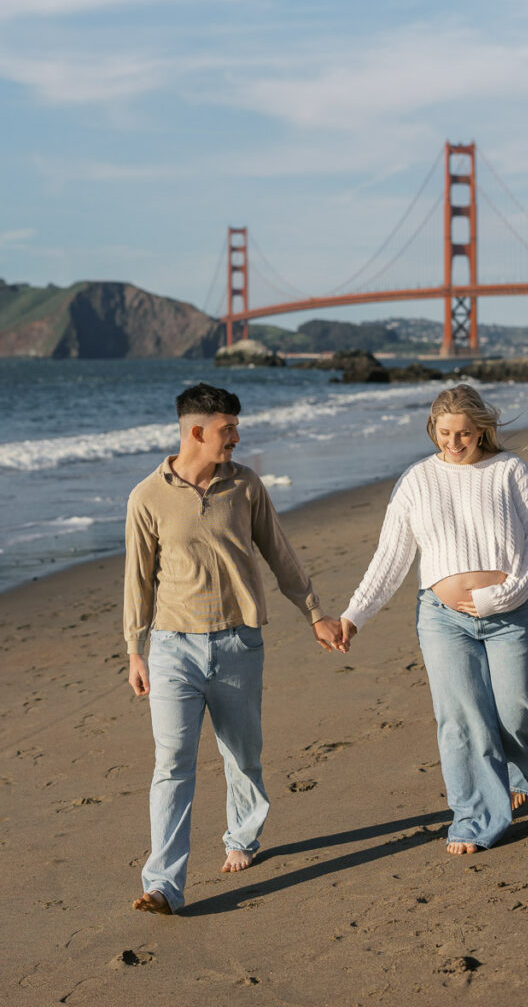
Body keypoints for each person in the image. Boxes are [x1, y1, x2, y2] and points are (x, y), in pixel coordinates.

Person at [125, 382, 343, 914]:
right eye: (229, 429)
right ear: (197, 432)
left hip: (238, 642)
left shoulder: (246, 485)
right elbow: (138, 580)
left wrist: (315, 612)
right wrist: (135, 649)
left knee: (242, 754)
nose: (237, 438)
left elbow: (279, 553)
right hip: (172, 648)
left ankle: (243, 836)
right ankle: (163, 883)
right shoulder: (146, 497)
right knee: (172, 763)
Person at [340, 384, 528, 855]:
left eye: (465, 434)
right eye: (445, 433)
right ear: (433, 429)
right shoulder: (416, 480)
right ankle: (475, 819)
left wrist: (505, 595)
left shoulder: (510, 471)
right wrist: (355, 614)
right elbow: (391, 557)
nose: (454, 443)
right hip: (443, 620)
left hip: (512, 612)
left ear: (482, 430)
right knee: (461, 721)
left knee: (517, 711)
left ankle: (518, 772)